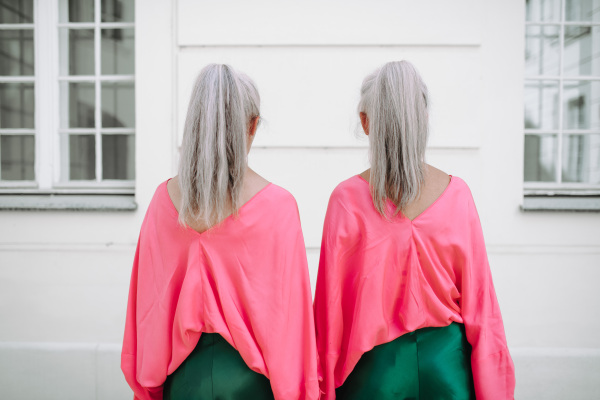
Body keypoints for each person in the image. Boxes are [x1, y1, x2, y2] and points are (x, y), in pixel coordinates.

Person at [313, 60, 515, 399]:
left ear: (365, 122)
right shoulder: (457, 194)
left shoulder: (345, 199)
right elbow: (483, 310)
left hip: (373, 378)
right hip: (448, 373)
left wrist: (321, 391)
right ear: (423, 118)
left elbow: (329, 316)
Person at [121, 64, 321, 400]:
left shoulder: (163, 200)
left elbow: (147, 310)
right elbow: (289, 325)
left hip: (182, 383)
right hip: (252, 386)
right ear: (252, 125)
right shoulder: (278, 206)